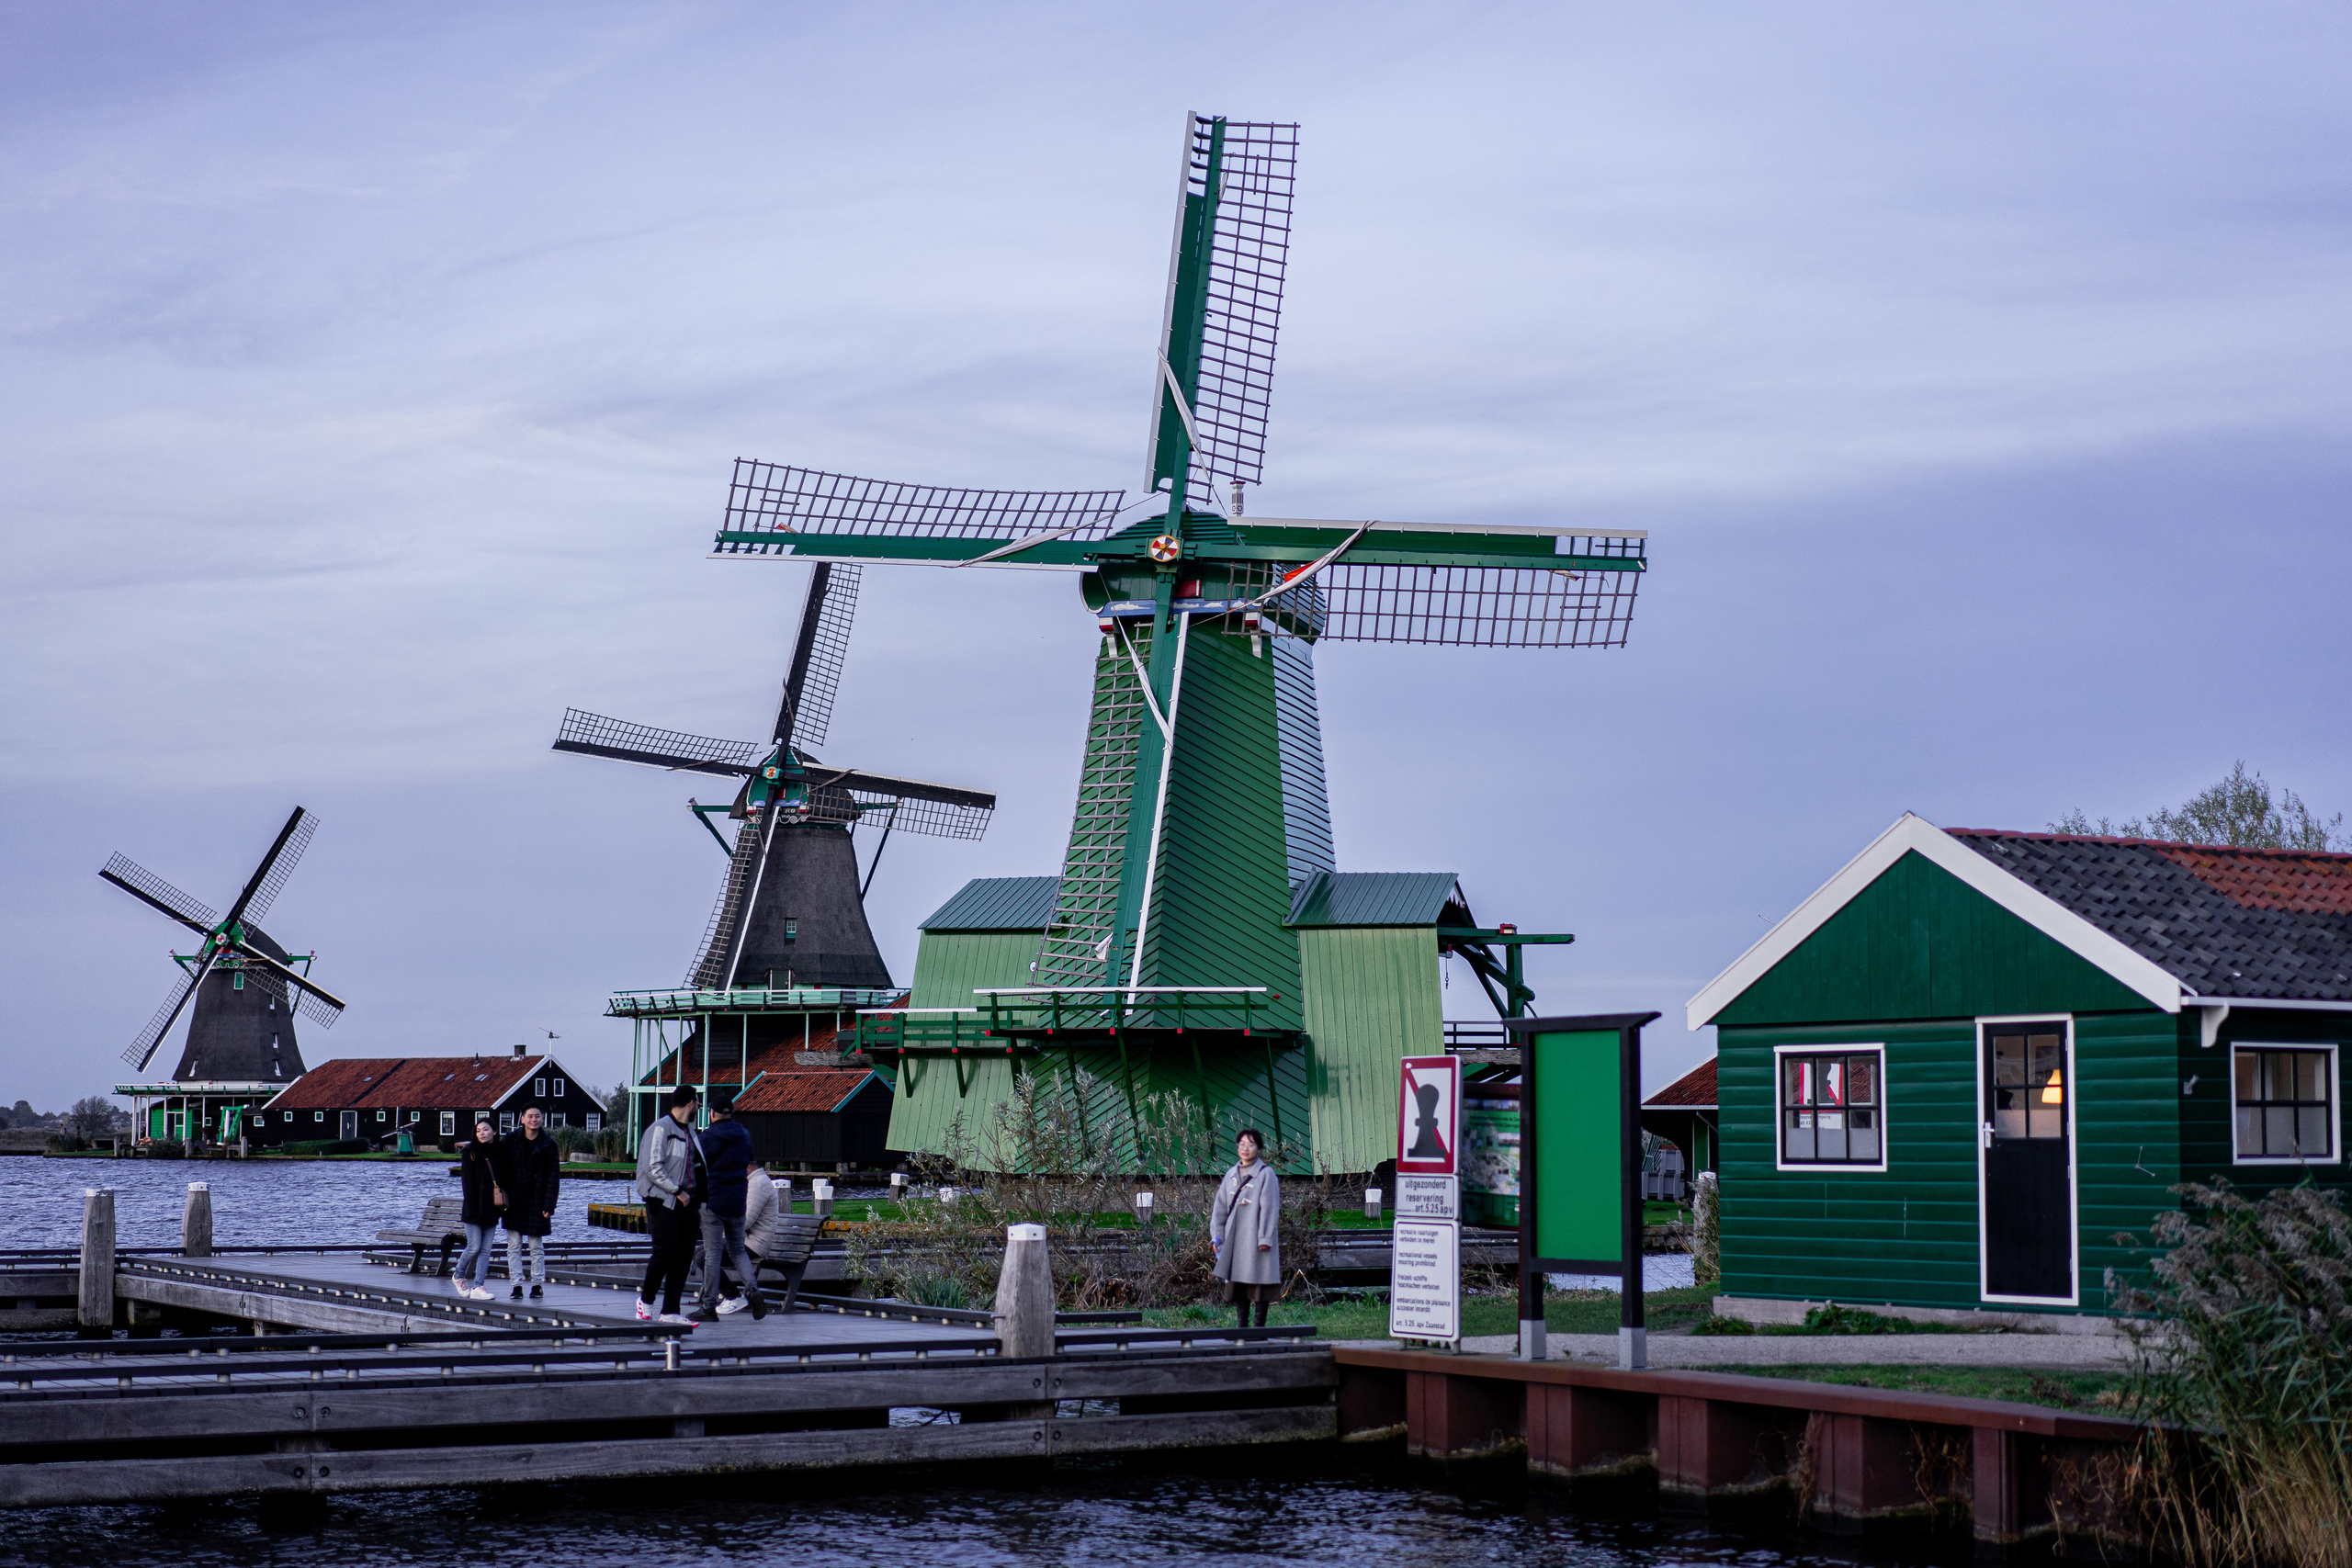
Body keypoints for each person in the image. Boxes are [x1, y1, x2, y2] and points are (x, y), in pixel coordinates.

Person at [693, 1091, 767, 1322]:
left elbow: (695, 1170)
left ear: (712, 1114)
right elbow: (749, 1162)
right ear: (731, 1113)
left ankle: (708, 1307)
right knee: (737, 1250)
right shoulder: (744, 1134)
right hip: (738, 1202)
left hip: (713, 1202)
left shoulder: (706, 1138)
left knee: (713, 1254)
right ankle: (753, 1290)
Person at [635, 1088, 704, 1325]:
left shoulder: (690, 1132)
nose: (700, 1107)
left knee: (684, 1257)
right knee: (664, 1253)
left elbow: (696, 1170)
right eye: (697, 1102)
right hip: (663, 1201)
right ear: (690, 1103)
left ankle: (670, 1311)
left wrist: (698, 1204)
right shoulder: (661, 1128)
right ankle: (645, 1301)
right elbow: (653, 1168)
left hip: (687, 1203)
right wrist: (678, 1192)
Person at [1210, 1128, 1281, 1328]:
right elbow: (1220, 1209)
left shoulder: (1266, 1175)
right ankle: (1242, 1327)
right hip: (1234, 1241)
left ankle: (1259, 1328)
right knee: (1238, 1285)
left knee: (1259, 1283)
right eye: (1242, 1144)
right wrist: (1217, 1237)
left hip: (1256, 1240)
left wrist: (1265, 1238)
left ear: (1258, 1148)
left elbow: (1270, 1208)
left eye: (1251, 1144)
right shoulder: (1231, 1174)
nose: (1245, 1148)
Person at [501, 1106, 560, 1299]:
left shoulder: (549, 1145)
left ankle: (537, 1284)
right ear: (522, 1119)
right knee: (514, 1246)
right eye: (530, 1116)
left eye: (537, 1116)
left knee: (536, 1246)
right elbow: (498, 1167)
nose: (534, 1120)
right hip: (514, 1200)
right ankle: (516, 1285)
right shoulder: (510, 1140)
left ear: (541, 1119)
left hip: (537, 1201)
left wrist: (549, 1205)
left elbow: (553, 1178)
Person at [718, 1162, 786, 1315]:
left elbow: (745, 1221)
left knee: (705, 1256)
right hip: (745, 1240)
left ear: (747, 1165)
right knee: (703, 1253)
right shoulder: (751, 1182)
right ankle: (735, 1296)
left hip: (754, 1244)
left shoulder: (758, 1184)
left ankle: (733, 1296)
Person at [452, 1118, 503, 1301]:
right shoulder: (470, 1152)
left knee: (486, 1249)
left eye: (485, 1129)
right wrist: (473, 1209)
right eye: (478, 1130)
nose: (481, 1133)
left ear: (494, 1132)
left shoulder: (500, 1151)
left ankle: (478, 1286)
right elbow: (467, 1184)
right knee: (474, 1247)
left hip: (492, 1208)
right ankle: (458, 1275)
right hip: (474, 1209)